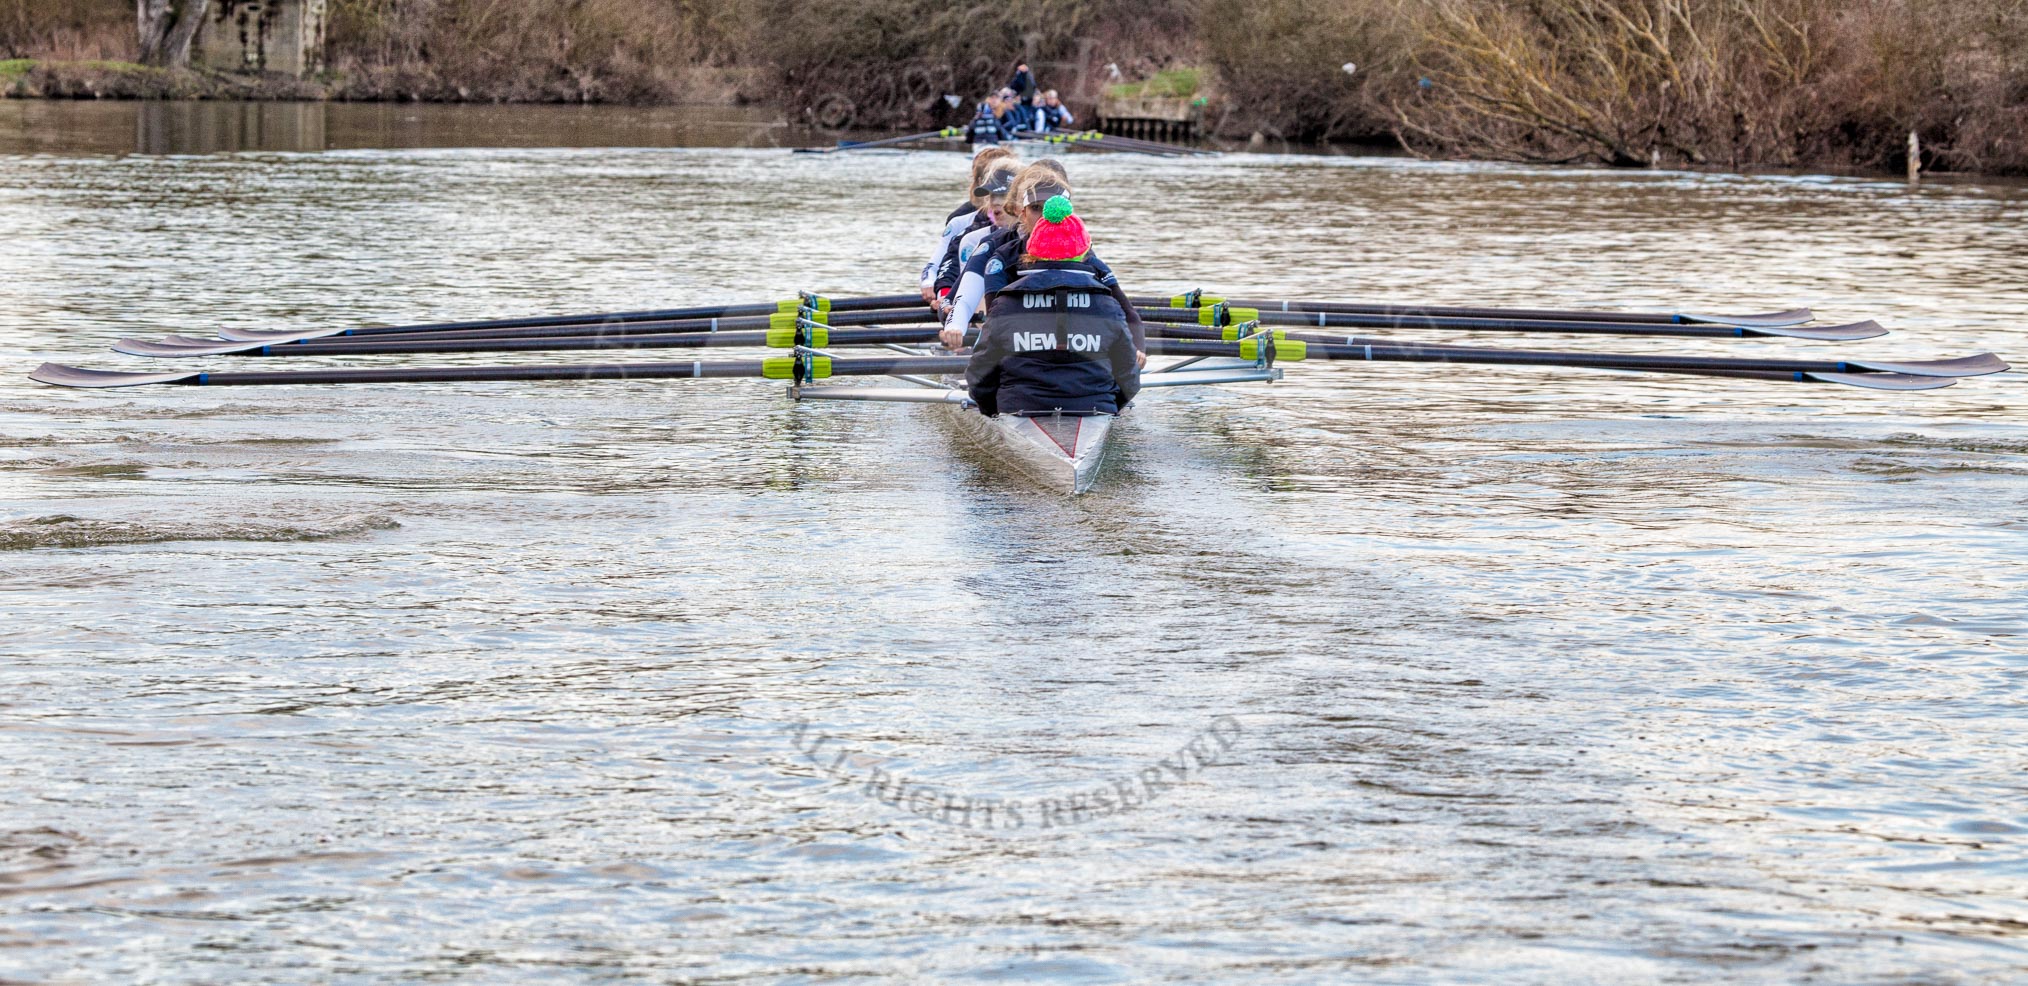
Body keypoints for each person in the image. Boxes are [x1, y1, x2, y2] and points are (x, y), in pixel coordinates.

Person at [959, 179, 1139, 417]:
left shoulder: (1005, 304)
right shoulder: (1107, 304)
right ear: (1083, 252)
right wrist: (1107, 406)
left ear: (1032, 252)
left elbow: (978, 375)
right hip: (1094, 407)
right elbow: (1129, 378)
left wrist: (994, 410)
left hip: (1020, 406)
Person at [920, 145, 1017, 304]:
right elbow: (946, 266)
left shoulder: (1035, 227)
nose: (996, 201)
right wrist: (940, 293)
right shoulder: (963, 224)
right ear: (981, 182)